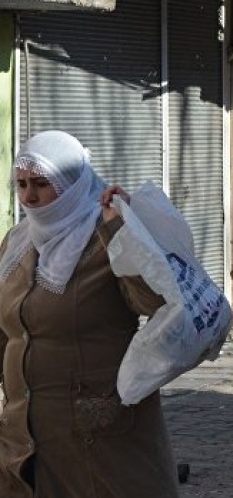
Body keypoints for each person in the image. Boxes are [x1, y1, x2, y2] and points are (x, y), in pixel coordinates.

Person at [0, 131, 179, 498]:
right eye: (21, 184)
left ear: (71, 184)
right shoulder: (16, 243)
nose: (29, 196)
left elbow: (154, 301)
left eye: (41, 184)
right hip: (26, 433)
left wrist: (124, 232)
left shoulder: (106, 234)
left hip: (99, 431)